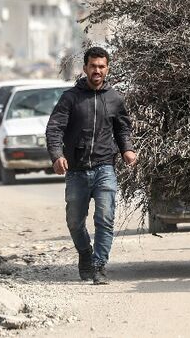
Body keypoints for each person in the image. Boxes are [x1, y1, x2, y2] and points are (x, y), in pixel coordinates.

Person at [46, 47, 137, 285]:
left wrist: (127, 149)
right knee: (74, 221)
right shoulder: (71, 98)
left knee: (105, 218)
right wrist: (57, 155)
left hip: (104, 167)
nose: (97, 70)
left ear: (107, 69)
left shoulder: (114, 98)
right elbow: (55, 128)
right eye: (93, 66)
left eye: (101, 66)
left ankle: (98, 266)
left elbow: (122, 128)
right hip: (76, 170)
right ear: (85, 68)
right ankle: (85, 253)